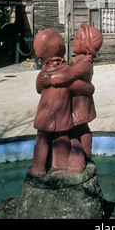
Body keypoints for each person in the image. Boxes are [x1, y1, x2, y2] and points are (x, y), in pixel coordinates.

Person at [31, 28, 96, 175]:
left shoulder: (44, 73)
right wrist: (90, 87)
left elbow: (38, 88)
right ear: (62, 49)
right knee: (64, 138)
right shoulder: (65, 70)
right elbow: (80, 86)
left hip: (44, 113)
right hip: (62, 114)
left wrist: (49, 80)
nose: (74, 40)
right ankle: (60, 164)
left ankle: (39, 168)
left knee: (42, 138)